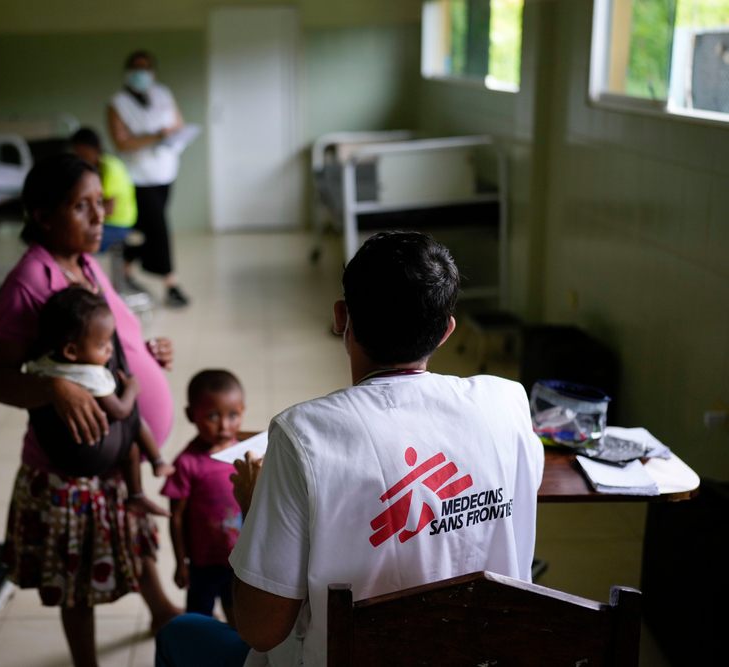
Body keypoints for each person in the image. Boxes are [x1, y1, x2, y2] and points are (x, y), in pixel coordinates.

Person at [155, 231, 545, 667]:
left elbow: (261, 630)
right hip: (483, 655)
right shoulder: (506, 405)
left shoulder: (303, 435)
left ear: (342, 317)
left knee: (178, 633)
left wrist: (254, 508)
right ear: (446, 331)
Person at [0, 153, 181, 667]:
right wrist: (53, 388)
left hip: (114, 455)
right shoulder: (29, 281)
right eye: (81, 206)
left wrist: (148, 352)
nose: (98, 218)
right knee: (78, 580)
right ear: (44, 215)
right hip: (69, 467)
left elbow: (110, 335)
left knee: (129, 537)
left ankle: (161, 609)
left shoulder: (86, 262)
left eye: (101, 204)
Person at [25, 285, 175, 517]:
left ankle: (139, 492)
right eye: (103, 344)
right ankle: (155, 464)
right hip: (92, 450)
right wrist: (133, 390)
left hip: (69, 452)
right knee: (133, 433)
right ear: (72, 351)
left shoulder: (45, 363)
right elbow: (121, 410)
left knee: (130, 445)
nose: (110, 350)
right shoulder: (91, 376)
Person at [161, 370, 246, 625]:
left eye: (233, 415)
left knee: (240, 618)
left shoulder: (244, 453)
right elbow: (176, 517)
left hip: (238, 559)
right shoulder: (187, 464)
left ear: (243, 410)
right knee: (199, 621)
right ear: (190, 415)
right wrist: (181, 562)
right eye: (212, 416)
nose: (224, 426)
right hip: (203, 563)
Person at [108, 50, 190, 308]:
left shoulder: (163, 94)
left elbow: (178, 124)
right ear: (128, 71)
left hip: (165, 173)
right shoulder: (117, 103)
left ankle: (125, 269)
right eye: (136, 67)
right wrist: (155, 136)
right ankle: (171, 284)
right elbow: (121, 142)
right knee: (159, 228)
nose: (141, 72)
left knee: (149, 231)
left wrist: (172, 135)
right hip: (138, 177)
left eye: (146, 67)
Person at [70, 127, 137, 253]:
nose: (79, 158)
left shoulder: (109, 168)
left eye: (82, 154)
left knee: (74, 244)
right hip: (105, 221)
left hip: (118, 224)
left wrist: (78, 217)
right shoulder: (93, 167)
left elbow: (109, 209)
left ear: (95, 149)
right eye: (76, 154)